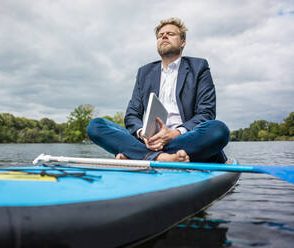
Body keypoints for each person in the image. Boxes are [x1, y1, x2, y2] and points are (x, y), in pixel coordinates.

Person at [87, 17, 229, 163]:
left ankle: (136, 154)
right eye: (160, 35)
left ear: (182, 42)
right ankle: (162, 157)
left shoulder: (199, 67)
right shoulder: (144, 72)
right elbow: (132, 115)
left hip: (184, 139)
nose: (164, 36)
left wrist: (173, 134)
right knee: (95, 126)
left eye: (170, 34)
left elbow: (206, 113)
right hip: (148, 141)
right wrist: (143, 134)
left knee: (219, 130)